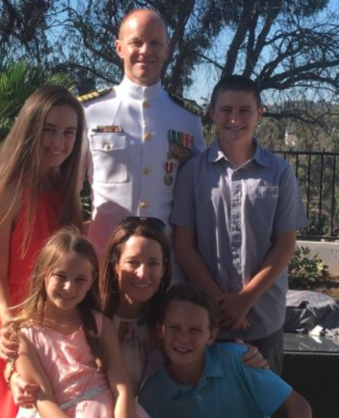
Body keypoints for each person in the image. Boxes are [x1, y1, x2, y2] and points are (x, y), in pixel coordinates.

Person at [0, 85, 85, 418]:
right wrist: (11, 322)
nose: (59, 142)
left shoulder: (65, 190)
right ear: (30, 129)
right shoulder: (10, 190)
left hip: (52, 321)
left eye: (69, 133)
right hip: (11, 318)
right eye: (49, 129)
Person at [171, 75, 308, 373]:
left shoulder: (280, 173)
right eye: (226, 110)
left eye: (245, 110)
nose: (234, 119)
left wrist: (246, 299)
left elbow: (285, 245)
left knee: (261, 407)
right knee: (208, 406)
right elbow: (183, 245)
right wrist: (221, 304)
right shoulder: (192, 173)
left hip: (263, 316)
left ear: (259, 113)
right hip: (205, 320)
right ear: (212, 113)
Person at [5, 228, 174, 418]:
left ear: (92, 279)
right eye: (61, 276)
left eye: (80, 279)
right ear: (43, 272)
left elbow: (122, 388)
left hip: (110, 415)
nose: (69, 287)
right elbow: (45, 401)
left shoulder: (98, 323)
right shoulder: (25, 334)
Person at [79, 9, 206, 279]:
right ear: (119, 47)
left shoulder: (186, 119)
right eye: (136, 42)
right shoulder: (90, 111)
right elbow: (69, 189)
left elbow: (200, 192)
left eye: (155, 43)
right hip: (105, 262)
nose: (145, 50)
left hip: (165, 266)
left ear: (168, 49)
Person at [99, 217, 268, 392]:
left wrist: (244, 355)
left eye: (153, 263)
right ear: (115, 264)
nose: (143, 274)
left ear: (163, 268)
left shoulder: (170, 317)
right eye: (133, 262)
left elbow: (200, 349)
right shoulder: (88, 315)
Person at [138, 284, 312, 418]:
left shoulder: (237, 360)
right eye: (175, 327)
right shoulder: (151, 396)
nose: (183, 338)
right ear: (160, 331)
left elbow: (298, 406)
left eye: (195, 330)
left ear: (211, 335)